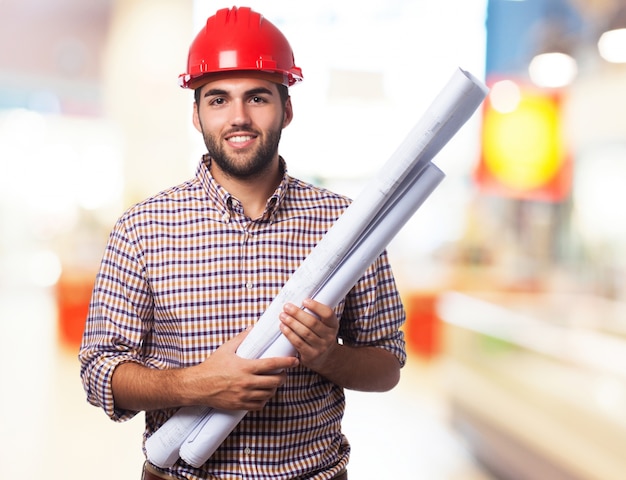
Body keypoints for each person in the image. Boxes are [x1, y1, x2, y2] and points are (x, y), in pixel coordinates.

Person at [79, 6, 406, 480]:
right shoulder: (142, 228)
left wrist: (327, 355)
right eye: (217, 100)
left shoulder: (346, 226)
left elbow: (386, 365)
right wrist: (197, 385)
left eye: (257, 98)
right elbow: (98, 372)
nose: (238, 118)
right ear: (196, 114)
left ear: (286, 108)